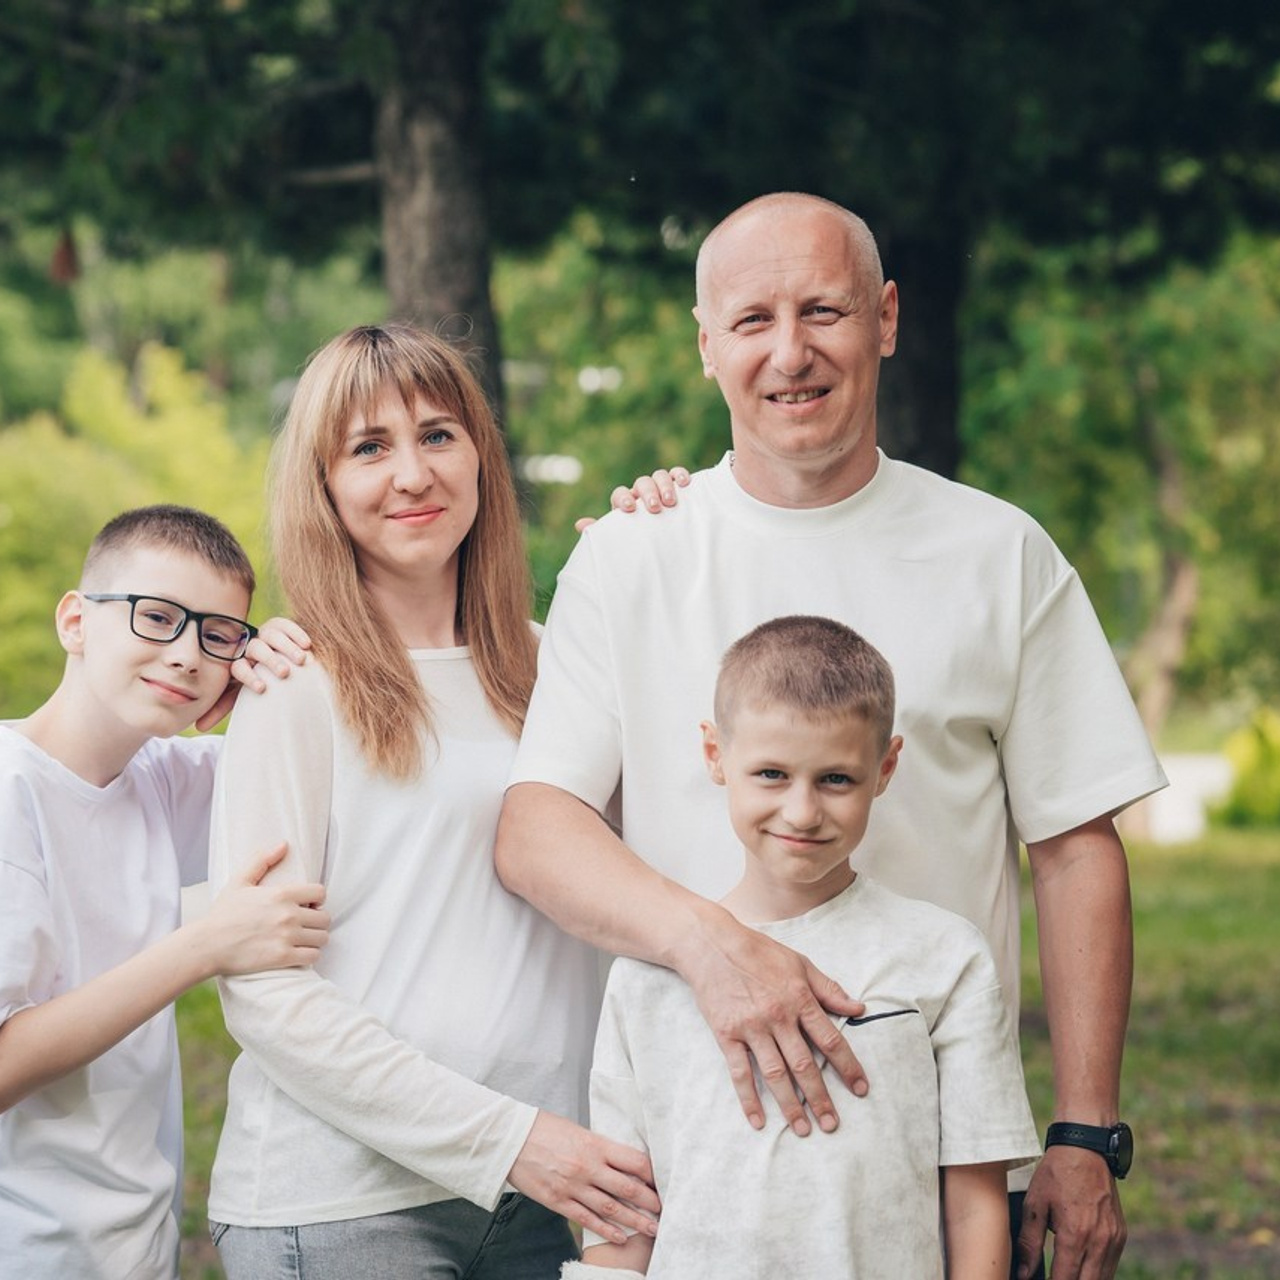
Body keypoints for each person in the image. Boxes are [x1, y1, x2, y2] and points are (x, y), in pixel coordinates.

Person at [496, 192, 1166, 1280]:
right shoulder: (631, 557)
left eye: (824, 311)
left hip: (941, 1161)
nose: (790, 352)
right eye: (752, 319)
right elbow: (535, 829)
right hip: (704, 1168)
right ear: (705, 342)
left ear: (887, 318)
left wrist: (1084, 1129)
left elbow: (1074, 842)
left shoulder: (999, 552)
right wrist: (713, 949)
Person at [206, 323, 660, 1279]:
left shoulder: (562, 661)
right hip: (344, 1204)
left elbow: (679, 838)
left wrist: (656, 557)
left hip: (554, 1196)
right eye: (369, 448)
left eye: (438, 435)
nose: (411, 474)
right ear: (323, 486)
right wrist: (509, 1138)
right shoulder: (296, 685)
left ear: (483, 459)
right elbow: (264, 992)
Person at [564, 616, 1041, 1279]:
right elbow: (623, 1217)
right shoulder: (647, 975)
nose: (802, 811)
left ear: (886, 767)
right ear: (714, 757)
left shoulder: (943, 956)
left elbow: (974, 1201)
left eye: (836, 780)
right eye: (771, 774)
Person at [0, 504, 331, 1280]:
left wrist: (274, 674)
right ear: (76, 622)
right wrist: (207, 944)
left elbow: (328, 749)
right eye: (157, 618)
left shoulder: (159, 777)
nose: (186, 655)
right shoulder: (9, 791)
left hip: (135, 1249)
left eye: (218, 633)